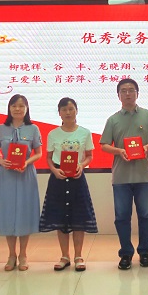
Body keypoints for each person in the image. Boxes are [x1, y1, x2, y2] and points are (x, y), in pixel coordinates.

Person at [100, 78, 148, 270]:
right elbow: (104, 145)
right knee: (121, 217)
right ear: (118, 95)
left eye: (131, 90)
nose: (128, 94)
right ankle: (126, 253)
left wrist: (146, 148)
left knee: (145, 216)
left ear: (137, 93)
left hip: (144, 175)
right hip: (121, 177)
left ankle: (144, 252)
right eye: (124, 91)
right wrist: (119, 151)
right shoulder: (113, 120)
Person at [39, 97, 98, 271]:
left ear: (76, 111)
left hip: (77, 178)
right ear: (59, 113)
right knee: (60, 218)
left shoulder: (85, 132)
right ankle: (64, 256)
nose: (68, 112)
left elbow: (89, 156)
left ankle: (79, 256)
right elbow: (49, 158)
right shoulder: (53, 134)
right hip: (58, 178)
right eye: (64, 109)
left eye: (71, 109)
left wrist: (82, 165)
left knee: (79, 218)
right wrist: (54, 170)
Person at [0, 94, 42, 271]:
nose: (17, 109)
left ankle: (23, 255)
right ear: (9, 108)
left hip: (25, 174)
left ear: (27, 109)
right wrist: (1, 161)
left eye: (21, 106)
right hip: (6, 175)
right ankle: (11, 255)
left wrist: (26, 162)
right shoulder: (1, 128)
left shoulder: (33, 129)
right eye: (14, 106)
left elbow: (38, 153)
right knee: (8, 212)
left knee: (24, 212)